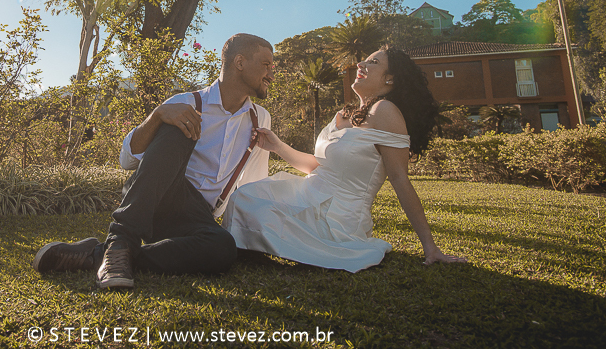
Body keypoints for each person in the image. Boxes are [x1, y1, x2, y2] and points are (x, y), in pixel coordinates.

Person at [33, 33, 275, 288]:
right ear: (240, 62)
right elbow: (127, 160)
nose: (271, 73)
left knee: (223, 248)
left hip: (197, 216)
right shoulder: (186, 102)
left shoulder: (260, 119)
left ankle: (100, 254)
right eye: (266, 64)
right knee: (178, 123)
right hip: (155, 196)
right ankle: (121, 240)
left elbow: (252, 184)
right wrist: (158, 115)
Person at [222, 47, 467, 271]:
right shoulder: (345, 114)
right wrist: (277, 146)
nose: (361, 64)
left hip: (336, 216)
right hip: (309, 193)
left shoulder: (385, 112)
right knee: (244, 198)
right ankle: (253, 245)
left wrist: (430, 247)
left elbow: (400, 179)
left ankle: (264, 246)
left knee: (258, 212)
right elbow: (317, 166)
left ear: (389, 78)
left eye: (373, 62)